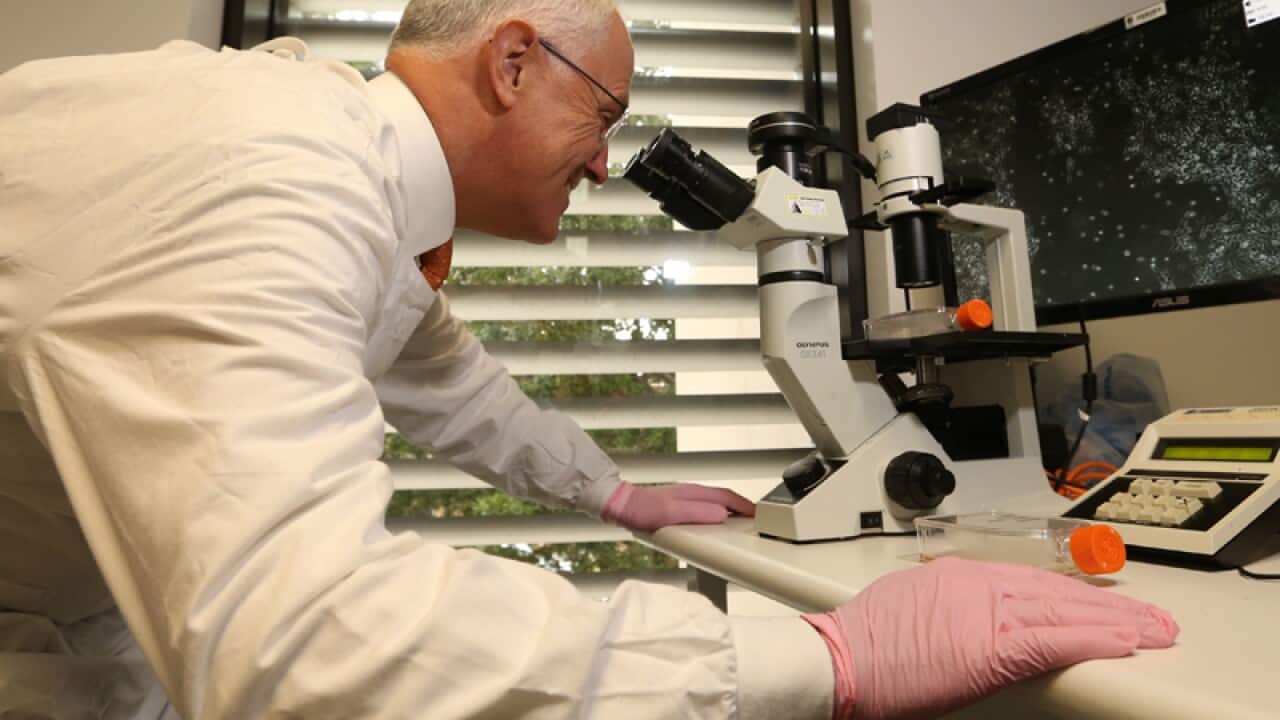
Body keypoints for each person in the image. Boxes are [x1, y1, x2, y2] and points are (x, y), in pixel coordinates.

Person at [0, 1, 1177, 718]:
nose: (607, 164)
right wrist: (823, 660)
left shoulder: (323, 152)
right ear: (512, 63)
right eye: (603, 115)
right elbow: (309, 644)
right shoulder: (272, 181)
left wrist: (609, 491)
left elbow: (442, 374)